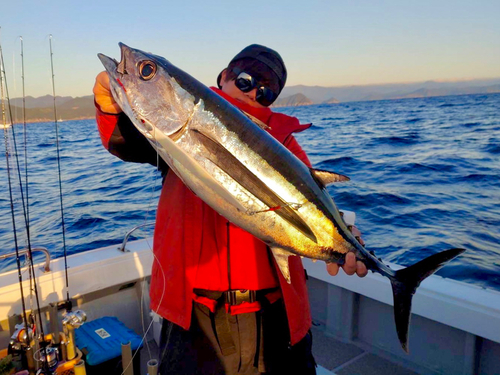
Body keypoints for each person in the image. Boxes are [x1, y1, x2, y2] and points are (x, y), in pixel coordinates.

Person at [93, 44, 367, 375]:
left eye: (267, 92)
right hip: (196, 318)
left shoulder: (286, 144)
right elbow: (125, 141)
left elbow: (314, 208)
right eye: (247, 80)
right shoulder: (174, 127)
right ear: (224, 76)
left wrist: (345, 239)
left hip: (276, 315)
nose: (254, 92)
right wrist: (110, 108)